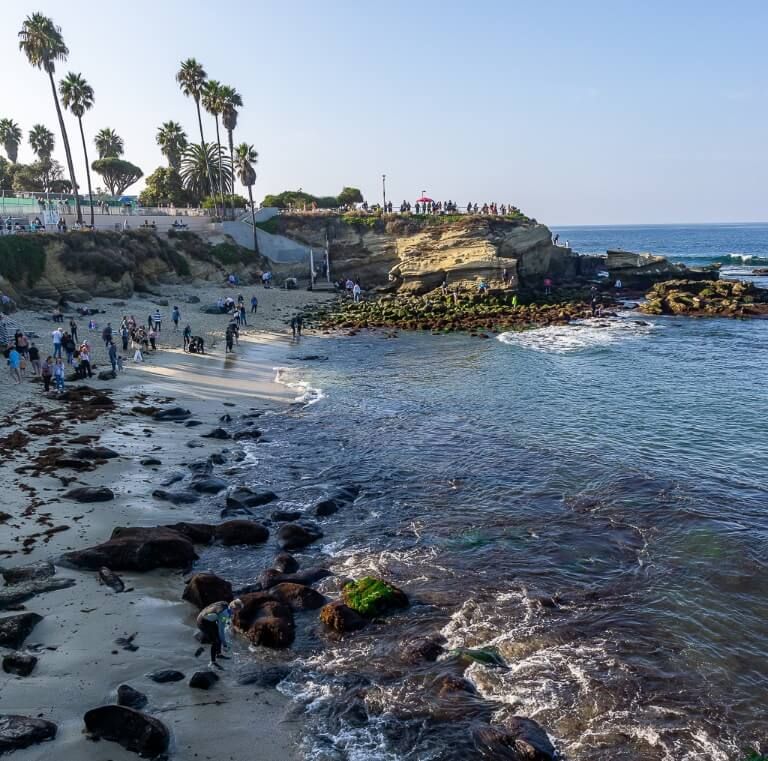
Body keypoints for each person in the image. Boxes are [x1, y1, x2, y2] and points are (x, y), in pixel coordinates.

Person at [196, 599, 243, 669]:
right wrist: (224, 644)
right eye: (238, 610)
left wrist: (226, 618)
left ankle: (219, 654)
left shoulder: (225, 604)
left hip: (206, 616)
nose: (238, 612)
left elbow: (216, 611)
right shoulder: (224, 614)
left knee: (218, 636)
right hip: (203, 622)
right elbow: (221, 630)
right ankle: (212, 662)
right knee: (216, 641)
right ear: (234, 608)